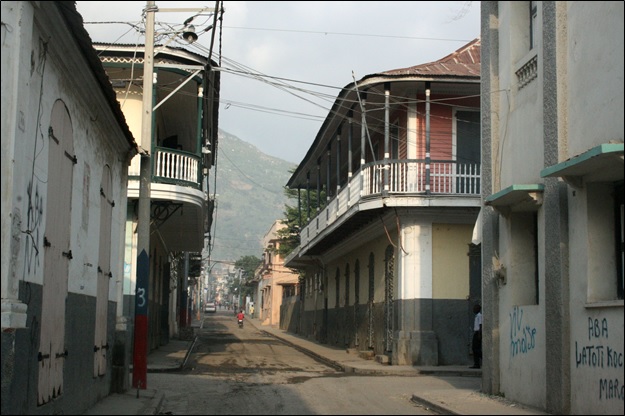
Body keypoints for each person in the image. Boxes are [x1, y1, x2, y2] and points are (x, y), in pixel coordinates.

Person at [470, 304, 482, 368]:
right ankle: (476, 364)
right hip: (476, 333)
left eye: (475, 308)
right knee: (474, 349)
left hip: (478, 333)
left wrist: (480, 334)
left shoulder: (479, 316)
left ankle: (483, 358)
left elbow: (480, 325)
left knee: (476, 349)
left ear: (478, 309)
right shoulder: (476, 316)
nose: (473, 309)